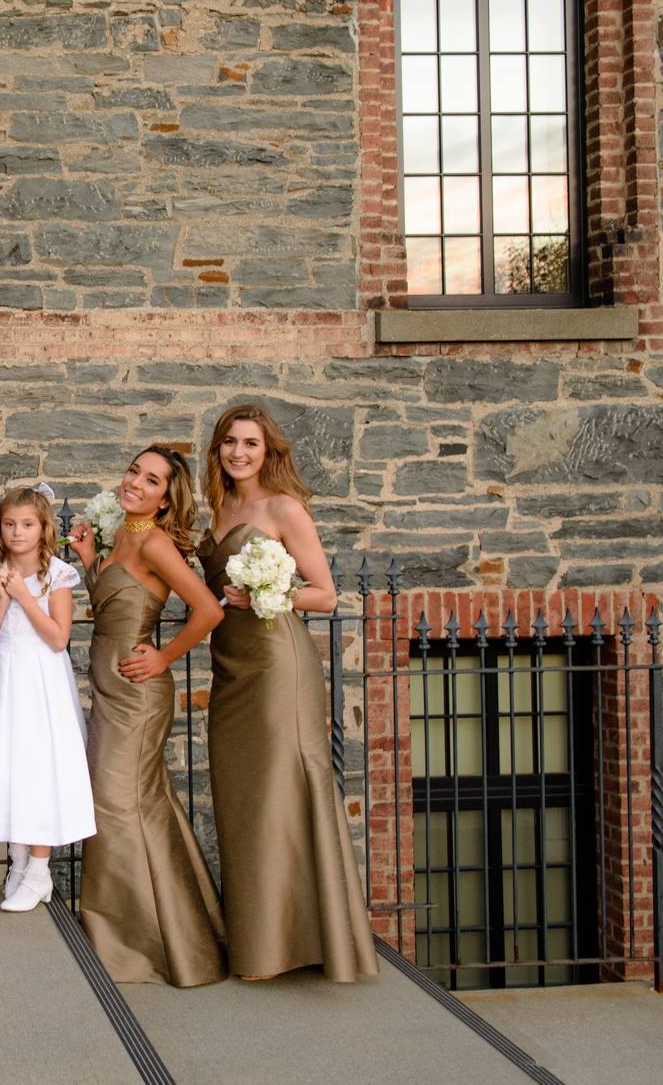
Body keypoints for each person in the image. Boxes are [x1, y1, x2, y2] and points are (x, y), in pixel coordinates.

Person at [197, 404, 376, 982]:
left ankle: (291, 946)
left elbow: (325, 594)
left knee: (281, 793)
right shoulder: (219, 507)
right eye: (228, 442)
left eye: (249, 443)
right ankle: (258, 941)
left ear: (268, 450)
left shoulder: (284, 508)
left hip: (278, 663)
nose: (238, 452)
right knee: (242, 799)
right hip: (231, 666)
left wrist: (271, 592)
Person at [69, 446, 229, 987]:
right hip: (110, 691)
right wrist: (92, 559)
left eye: (151, 479)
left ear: (166, 498)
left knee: (113, 806)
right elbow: (112, 605)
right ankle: (178, 938)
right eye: (135, 471)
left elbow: (208, 610)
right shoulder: (124, 534)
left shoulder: (157, 542)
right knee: (137, 807)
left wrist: (164, 655)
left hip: (139, 695)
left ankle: (130, 948)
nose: (136, 482)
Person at [0, 484, 93, 914]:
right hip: (4, 677)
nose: (17, 532)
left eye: (27, 524)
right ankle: (17, 862)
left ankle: (39, 871)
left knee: (40, 768)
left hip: (41, 678)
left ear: (42, 527)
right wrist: (0, 596)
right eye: (10, 524)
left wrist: (25, 598)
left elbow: (57, 639)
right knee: (7, 765)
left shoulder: (59, 575)